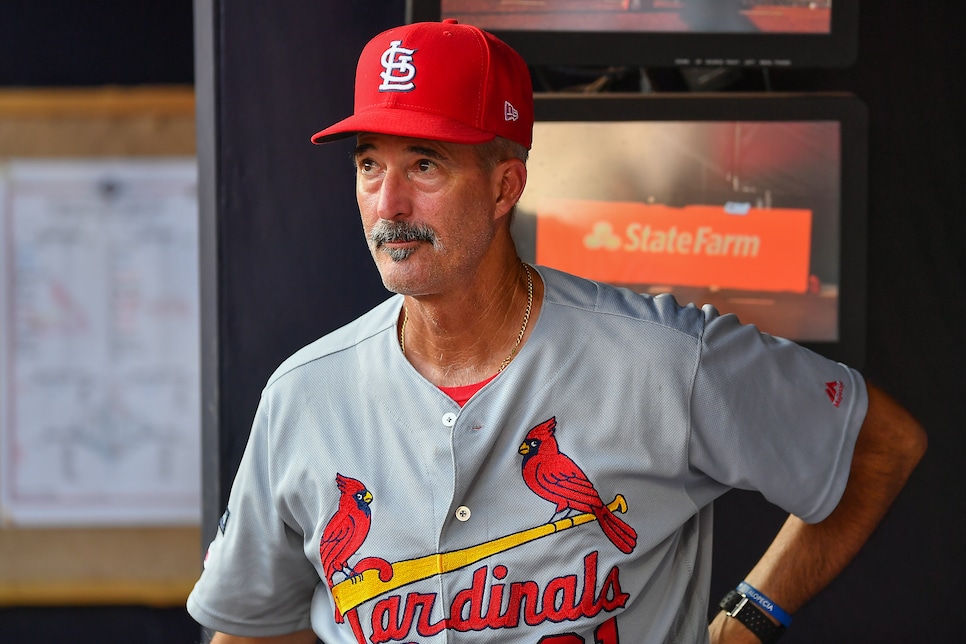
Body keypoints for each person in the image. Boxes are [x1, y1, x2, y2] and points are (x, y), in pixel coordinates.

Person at [186, 19, 926, 644]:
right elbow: (249, 624)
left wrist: (749, 618)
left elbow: (880, 446)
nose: (389, 203)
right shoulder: (304, 395)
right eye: (369, 164)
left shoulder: (664, 358)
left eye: (425, 163)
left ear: (506, 185)